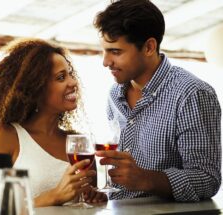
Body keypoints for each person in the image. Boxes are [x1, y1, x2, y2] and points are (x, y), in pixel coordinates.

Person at [93, 0, 221, 202]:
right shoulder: (114, 94)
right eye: (104, 50)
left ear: (149, 47)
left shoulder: (192, 93)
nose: (105, 62)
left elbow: (207, 179)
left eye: (115, 52)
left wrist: (146, 179)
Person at [0, 38, 107, 207]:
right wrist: (53, 196)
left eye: (70, 74)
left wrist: (95, 199)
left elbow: (84, 203)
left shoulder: (79, 143)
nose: (73, 83)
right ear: (35, 88)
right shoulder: (4, 136)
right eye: (61, 77)